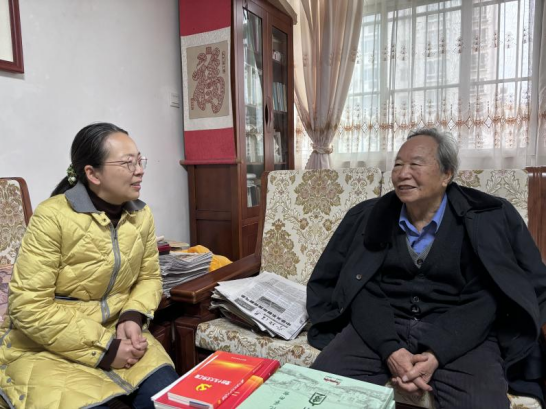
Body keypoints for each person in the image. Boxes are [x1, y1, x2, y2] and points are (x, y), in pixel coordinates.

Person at [307, 128, 546, 409]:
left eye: (415, 164)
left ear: (447, 174)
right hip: (380, 326)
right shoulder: (369, 216)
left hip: (461, 332)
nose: (403, 174)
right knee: (317, 392)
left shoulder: (487, 218)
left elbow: (486, 297)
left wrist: (437, 353)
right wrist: (390, 349)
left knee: (480, 402)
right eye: (398, 165)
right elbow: (360, 287)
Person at [0, 123, 179, 409]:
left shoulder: (141, 214)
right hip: (46, 349)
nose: (139, 170)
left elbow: (149, 277)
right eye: (127, 163)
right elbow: (27, 306)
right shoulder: (51, 217)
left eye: (139, 160)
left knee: (172, 400)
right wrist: (105, 350)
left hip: (120, 335)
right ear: (93, 174)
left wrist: (132, 316)